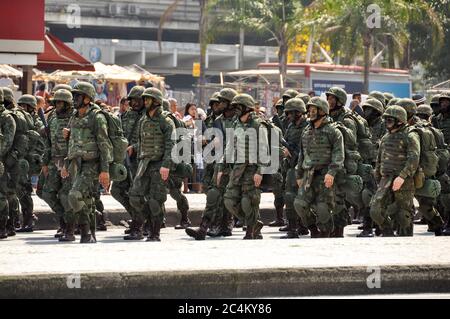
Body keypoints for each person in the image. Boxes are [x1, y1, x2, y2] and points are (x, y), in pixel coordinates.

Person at [62, 82, 113, 244]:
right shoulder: (74, 116)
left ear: (87, 99)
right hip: (76, 163)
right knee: (88, 200)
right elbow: (72, 144)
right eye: (74, 96)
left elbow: (104, 145)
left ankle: (84, 231)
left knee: (74, 195)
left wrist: (105, 171)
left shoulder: (97, 118)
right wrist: (66, 163)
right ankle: (90, 234)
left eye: (78, 96)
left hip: (92, 164)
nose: (74, 99)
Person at [128, 88, 175, 241]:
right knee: (135, 196)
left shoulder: (165, 121)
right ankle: (146, 221)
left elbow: (171, 144)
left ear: (156, 101)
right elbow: (141, 141)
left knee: (156, 200)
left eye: (148, 99)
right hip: (144, 164)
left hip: (159, 164)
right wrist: (134, 148)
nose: (145, 102)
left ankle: (155, 233)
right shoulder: (143, 120)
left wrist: (166, 165)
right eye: (145, 99)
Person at [294, 97, 345, 238]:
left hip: (325, 175)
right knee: (299, 204)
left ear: (322, 111)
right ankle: (313, 229)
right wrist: (299, 174)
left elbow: (338, 155)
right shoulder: (306, 131)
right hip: (308, 175)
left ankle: (326, 232)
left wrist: (332, 173)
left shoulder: (333, 131)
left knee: (323, 208)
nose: (310, 113)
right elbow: (301, 155)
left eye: (313, 110)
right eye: (309, 110)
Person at [370, 106, 420, 237]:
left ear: (399, 121)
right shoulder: (386, 137)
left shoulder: (410, 135)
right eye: (385, 119)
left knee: (404, 215)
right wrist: (378, 178)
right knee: (375, 210)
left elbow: (414, 158)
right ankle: (387, 232)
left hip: (404, 179)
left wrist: (402, 176)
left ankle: (406, 241)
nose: (386, 122)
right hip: (385, 178)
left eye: (390, 120)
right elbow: (379, 160)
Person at [0, 88, 17, 239]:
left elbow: (7, 141)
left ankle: (3, 226)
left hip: (3, 161)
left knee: (2, 194)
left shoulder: (6, 118)